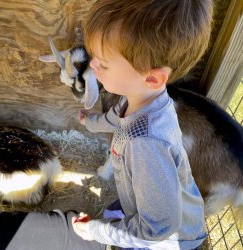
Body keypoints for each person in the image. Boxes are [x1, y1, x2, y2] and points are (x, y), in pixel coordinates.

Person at [71, 0, 213, 249]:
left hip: (167, 239)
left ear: (152, 77)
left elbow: (156, 228)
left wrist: (94, 230)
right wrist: (90, 122)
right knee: (115, 215)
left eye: (102, 63)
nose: (92, 66)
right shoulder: (140, 97)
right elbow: (116, 117)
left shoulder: (145, 144)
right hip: (153, 209)